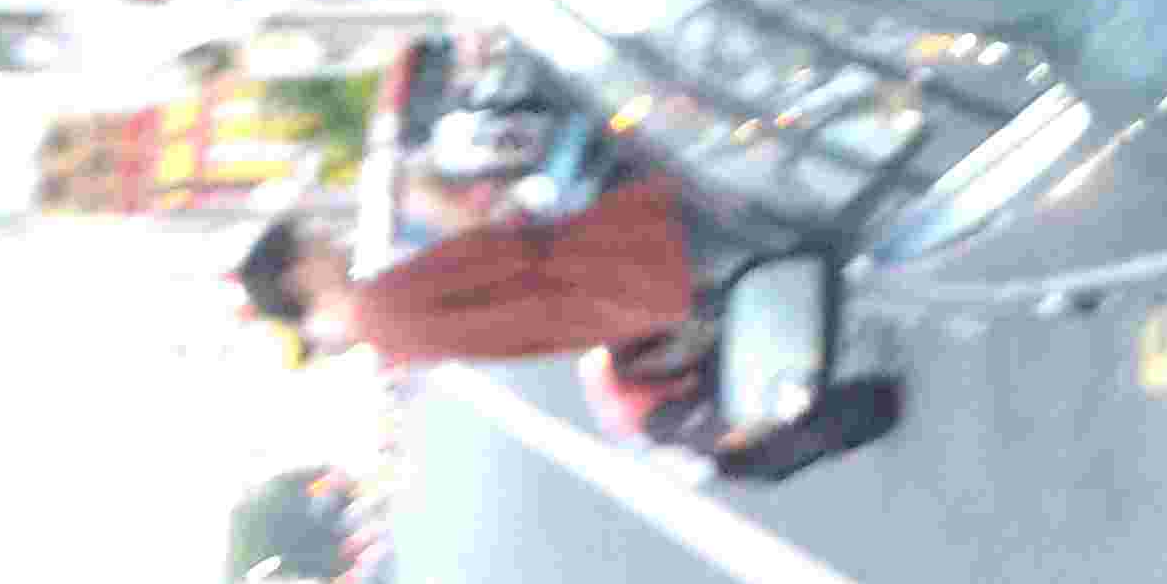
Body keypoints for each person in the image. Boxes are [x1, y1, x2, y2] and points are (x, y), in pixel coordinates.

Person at [232, 191, 902, 480]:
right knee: (801, 232)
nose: (326, 238)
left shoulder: (385, 325)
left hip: (619, 284)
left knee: (789, 247)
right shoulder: (385, 307)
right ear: (298, 275)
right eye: (310, 243)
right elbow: (507, 258)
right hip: (625, 262)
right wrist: (450, 208)